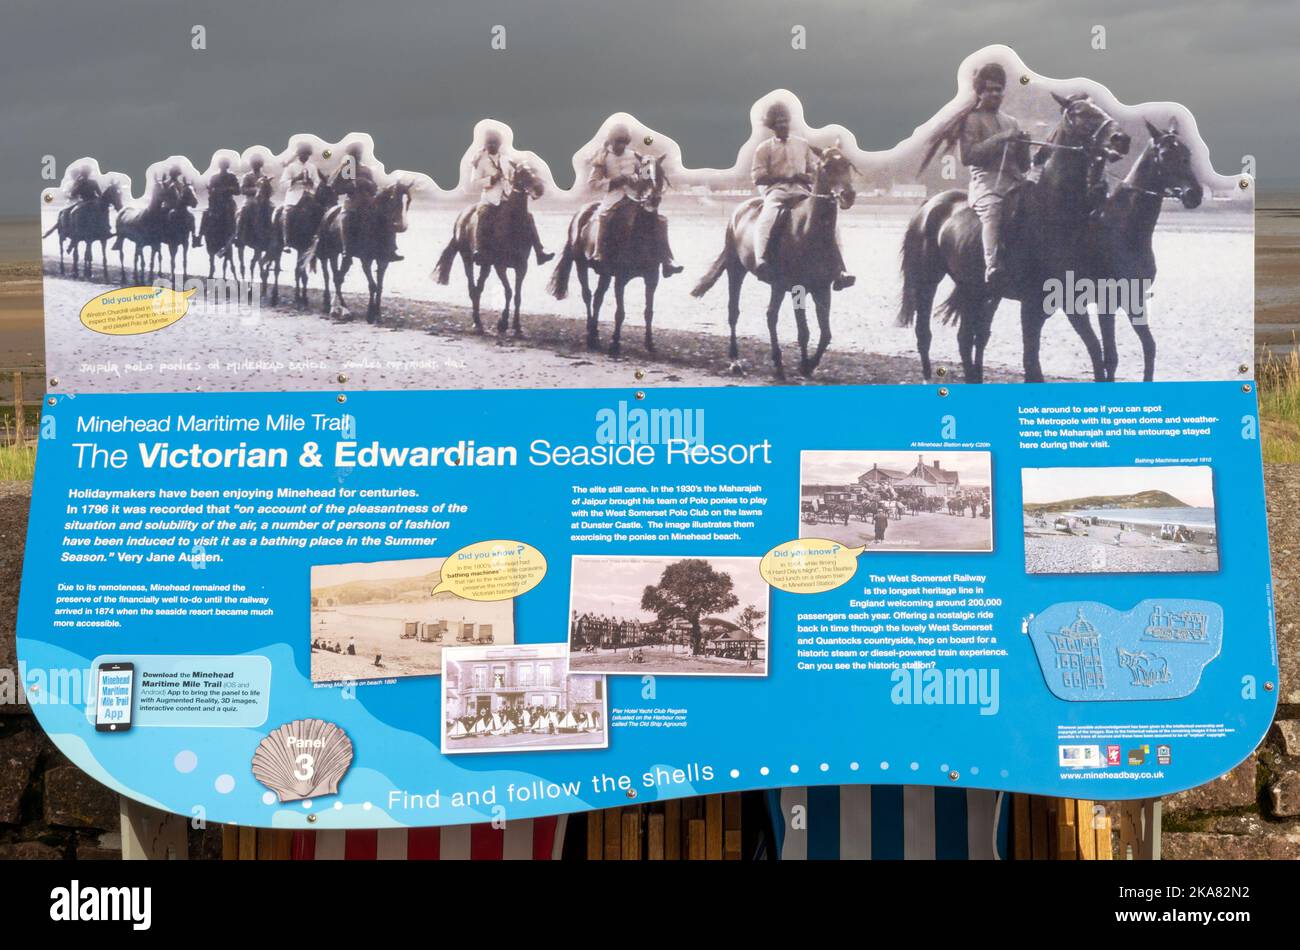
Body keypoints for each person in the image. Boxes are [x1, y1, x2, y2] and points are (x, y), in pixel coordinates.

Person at [919, 62, 1031, 291]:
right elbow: (969, 156)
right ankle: (992, 265)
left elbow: (1023, 165)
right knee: (992, 211)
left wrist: (1024, 146)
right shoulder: (972, 120)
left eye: (998, 89)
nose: (994, 94)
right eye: (989, 89)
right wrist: (1000, 139)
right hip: (987, 184)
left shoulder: (1012, 122)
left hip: (1016, 182)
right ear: (979, 92)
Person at [750, 102, 854, 289]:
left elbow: (814, 171)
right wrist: (783, 176)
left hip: (801, 191)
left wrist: (804, 176)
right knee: (766, 219)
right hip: (777, 191)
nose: (783, 126)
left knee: (832, 224)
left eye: (785, 122)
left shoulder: (802, 144)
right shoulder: (764, 149)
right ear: (772, 126)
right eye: (779, 123)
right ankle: (761, 260)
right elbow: (757, 177)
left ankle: (840, 269)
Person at [587, 124, 681, 277]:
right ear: (611, 142)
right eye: (618, 142)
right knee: (603, 217)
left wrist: (644, 177)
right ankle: (598, 253)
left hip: (635, 198)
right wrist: (618, 180)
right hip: (613, 198)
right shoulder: (602, 157)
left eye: (624, 142)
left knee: (659, 220)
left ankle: (667, 259)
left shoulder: (634, 156)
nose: (621, 146)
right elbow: (592, 184)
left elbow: (645, 176)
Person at [468, 130, 552, 264]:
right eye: (489, 143)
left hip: (507, 200)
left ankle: (539, 251)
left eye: (495, 143)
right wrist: (491, 179)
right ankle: (479, 249)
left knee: (528, 217)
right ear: (485, 144)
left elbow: (516, 176)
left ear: (499, 144)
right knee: (483, 215)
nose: (492, 145)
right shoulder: (480, 162)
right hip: (489, 200)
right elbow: (474, 183)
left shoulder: (506, 160)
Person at [327, 141, 403, 262]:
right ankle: (347, 249)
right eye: (354, 154)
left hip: (368, 203)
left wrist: (367, 183)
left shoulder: (366, 170)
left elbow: (374, 189)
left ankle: (391, 249)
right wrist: (352, 185)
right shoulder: (345, 170)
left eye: (359, 154)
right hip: (351, 203)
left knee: (386, 219)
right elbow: (335, 188)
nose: (357, 156)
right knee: (345, 220)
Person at [279, 143, 321, 247]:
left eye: (308, 155)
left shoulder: (312, 167)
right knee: (288, 213)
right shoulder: (291, 167)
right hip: (294, 196)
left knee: (321, 211)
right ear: (299, 155)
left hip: (309, 196)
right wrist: (296, 178)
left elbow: (318, 183)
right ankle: (287, 241)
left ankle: (318, 237)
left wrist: (312, 183)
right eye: (304, 154)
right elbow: (282, 184)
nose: (306, 157)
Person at [195, 156, 239, 248]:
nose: (223, 167)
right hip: (216, 202)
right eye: (222, 165)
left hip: (228, 202)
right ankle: (199, 237)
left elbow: (238, 191)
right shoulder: (214, 177)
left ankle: (236, 236)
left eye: (225, 165)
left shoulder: (232, 177)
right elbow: (210, 191)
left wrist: (227, 189)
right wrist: (214, 191)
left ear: (227, 166)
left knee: (234, 216)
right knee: (206, 215)